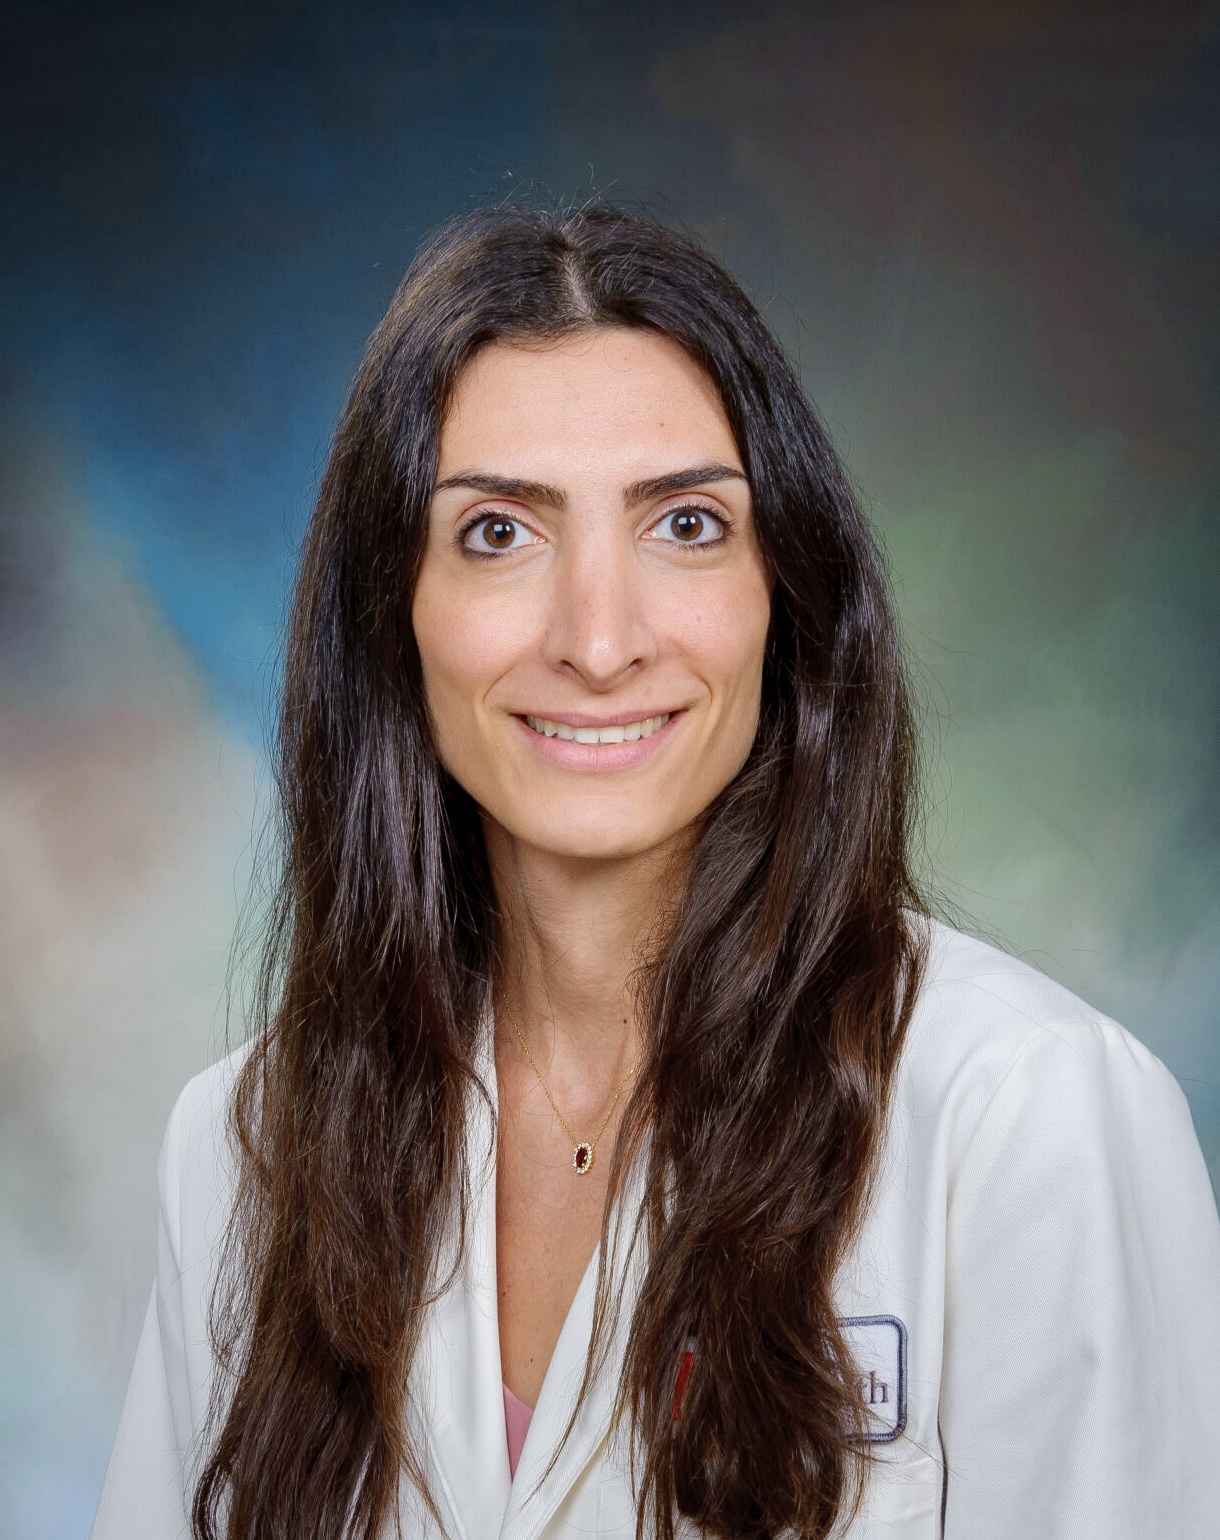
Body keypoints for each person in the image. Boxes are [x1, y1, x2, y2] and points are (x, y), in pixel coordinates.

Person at [91, 204, 1220, 1540]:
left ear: (785, 596)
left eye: (685, 524)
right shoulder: (246, 1152)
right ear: (394, 616)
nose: (600, 638)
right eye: (500, 533)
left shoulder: (1028, 1117)